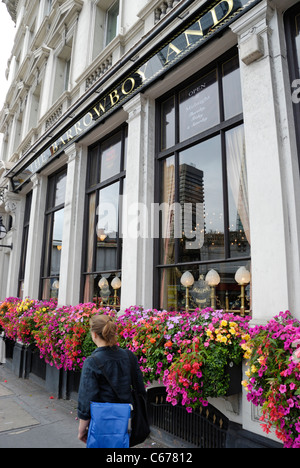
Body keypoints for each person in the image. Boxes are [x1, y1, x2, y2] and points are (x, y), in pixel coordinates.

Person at [77, 314, 146, 445]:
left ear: (95, 334)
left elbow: (86, 400)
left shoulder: (92, 362)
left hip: (102, 423)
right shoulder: (129, 356)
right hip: (127, 421)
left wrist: (81, 430)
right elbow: (140, 390)